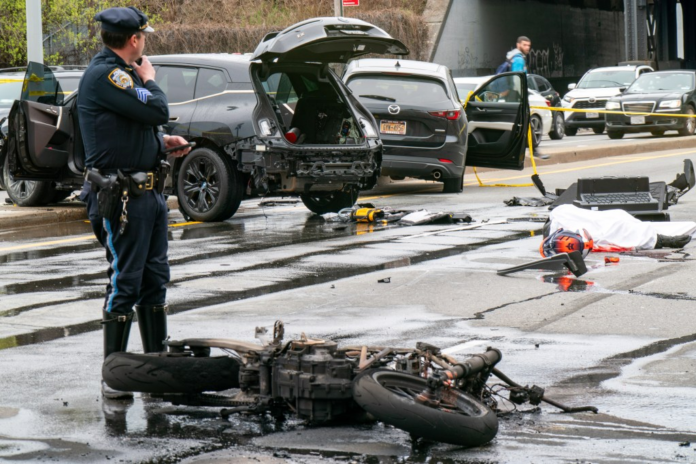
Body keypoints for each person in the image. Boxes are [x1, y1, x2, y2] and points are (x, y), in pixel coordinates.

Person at [77, 6, 191, 399]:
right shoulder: (109, 75)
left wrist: (162, 142)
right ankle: (115, 375)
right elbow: (157, 108)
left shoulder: (117, 75)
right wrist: (150, 79)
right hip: (122, 198)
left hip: (148, 195)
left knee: (154, 280)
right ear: (134, 40)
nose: (145, 43)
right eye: (144, 37)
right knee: (125, 282)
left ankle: (154, 371)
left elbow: (126, 129)